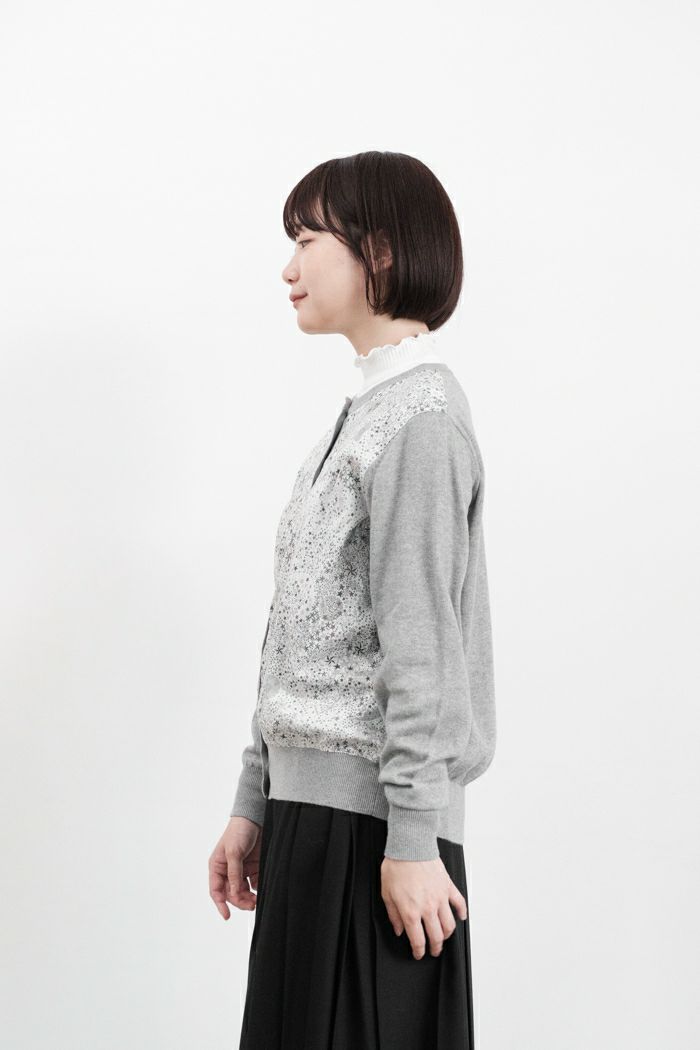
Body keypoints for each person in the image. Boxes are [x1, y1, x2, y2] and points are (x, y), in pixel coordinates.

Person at [208, 150, 497, 1049]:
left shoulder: (422, 421)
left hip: (375, 834)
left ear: (379, 250)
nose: (288, 267)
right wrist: (255, 798)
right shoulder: (364, 413)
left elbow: (422, 645)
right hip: (315, 824)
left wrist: (413, 836)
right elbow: (298, 629)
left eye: (307, 240)